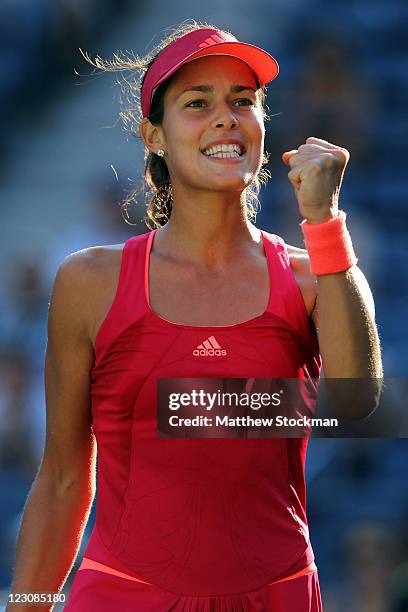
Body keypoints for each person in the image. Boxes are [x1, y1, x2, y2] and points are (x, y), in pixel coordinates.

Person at [7, 21, 383, 612]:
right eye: (197, 103)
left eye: (244, 102)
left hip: (278, 598)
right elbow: (61, 479)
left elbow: (358, 401)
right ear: (153, 135)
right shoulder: (89, 282)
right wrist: (26, 606)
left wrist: (325, 222)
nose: (227, 117)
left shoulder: (316, 275)